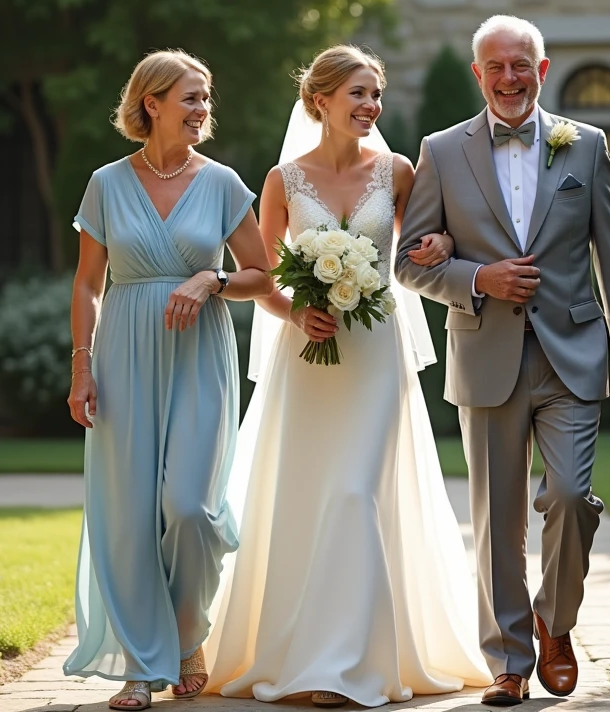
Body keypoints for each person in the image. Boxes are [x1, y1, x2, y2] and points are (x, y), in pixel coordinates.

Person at [204, 45, 491, 707]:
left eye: (375, 95)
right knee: (310, 495)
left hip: (376, 353)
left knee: (357, 492)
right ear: (320, 101)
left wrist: (441, 245)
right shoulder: (282, 180)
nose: (371, 107)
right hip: (307, 359)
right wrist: (295, 312)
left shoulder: (395, 171)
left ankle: (349, 664)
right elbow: (264, 276)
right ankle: (306, 649)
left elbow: (432, 243)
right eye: (358, 94)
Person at [394, 15, 610, 707]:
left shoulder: (586, 144)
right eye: (495, 67)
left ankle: (555, 622)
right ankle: (509, 660)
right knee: (497, 523)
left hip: (574, 355)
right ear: (479, 75)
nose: (509, 78)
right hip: (485, 354)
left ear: (541, 71)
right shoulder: (442, 151)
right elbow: (406, 264)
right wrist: (479, 279)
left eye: (521, 66)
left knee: (569, 496)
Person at [63, 49, 273, 711]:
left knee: (190, 508)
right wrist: (81, 364)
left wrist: (212, 277)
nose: (202, 110)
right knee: (127, 517)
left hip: (197, 357)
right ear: (150, 102)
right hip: (123, 355)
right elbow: (88, 283)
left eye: (206, 98)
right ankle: (140, 665)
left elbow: (262, 275)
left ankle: (187, 634)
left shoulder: (222, 183)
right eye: (190, 97)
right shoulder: (105, 182)